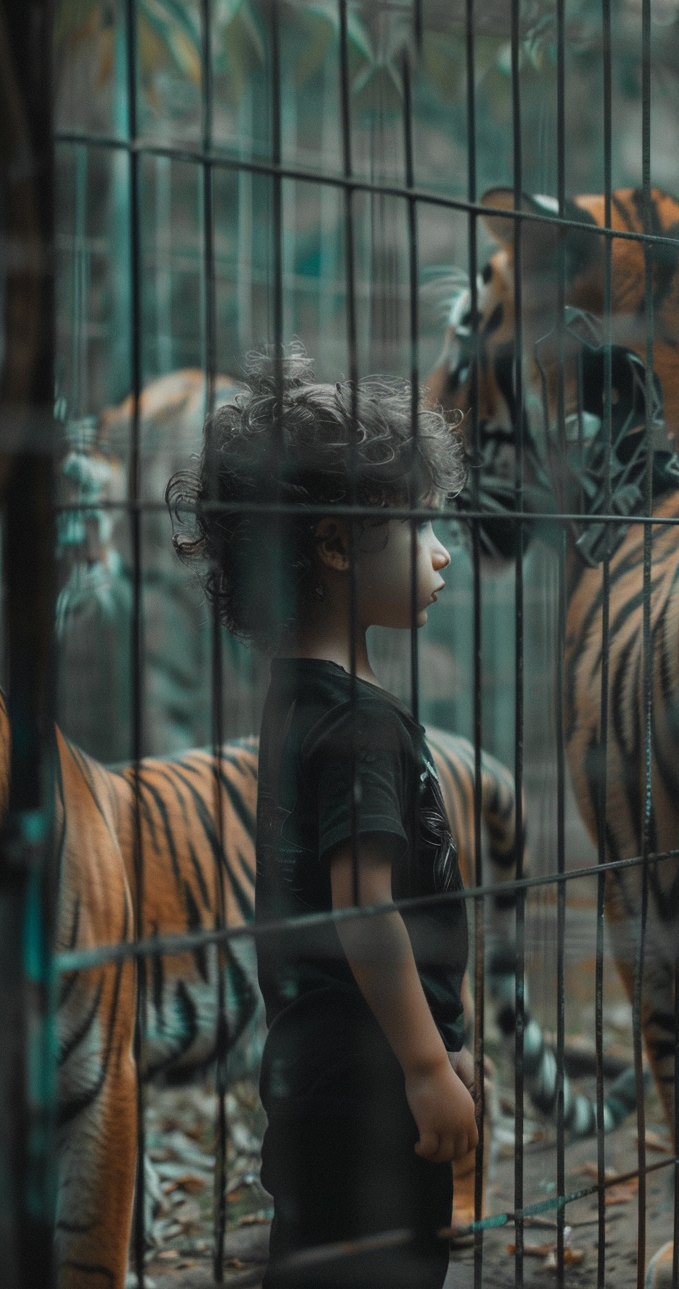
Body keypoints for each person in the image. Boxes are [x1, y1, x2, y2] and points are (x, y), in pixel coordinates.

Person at [167, 344, 478, 1288]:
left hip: (313, 1074)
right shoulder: (360, 724)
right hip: (378, 1078)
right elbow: (364, 907)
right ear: (338, 543)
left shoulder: (296, 696)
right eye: (420, 524)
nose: (441, 549)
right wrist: (430, 1067)